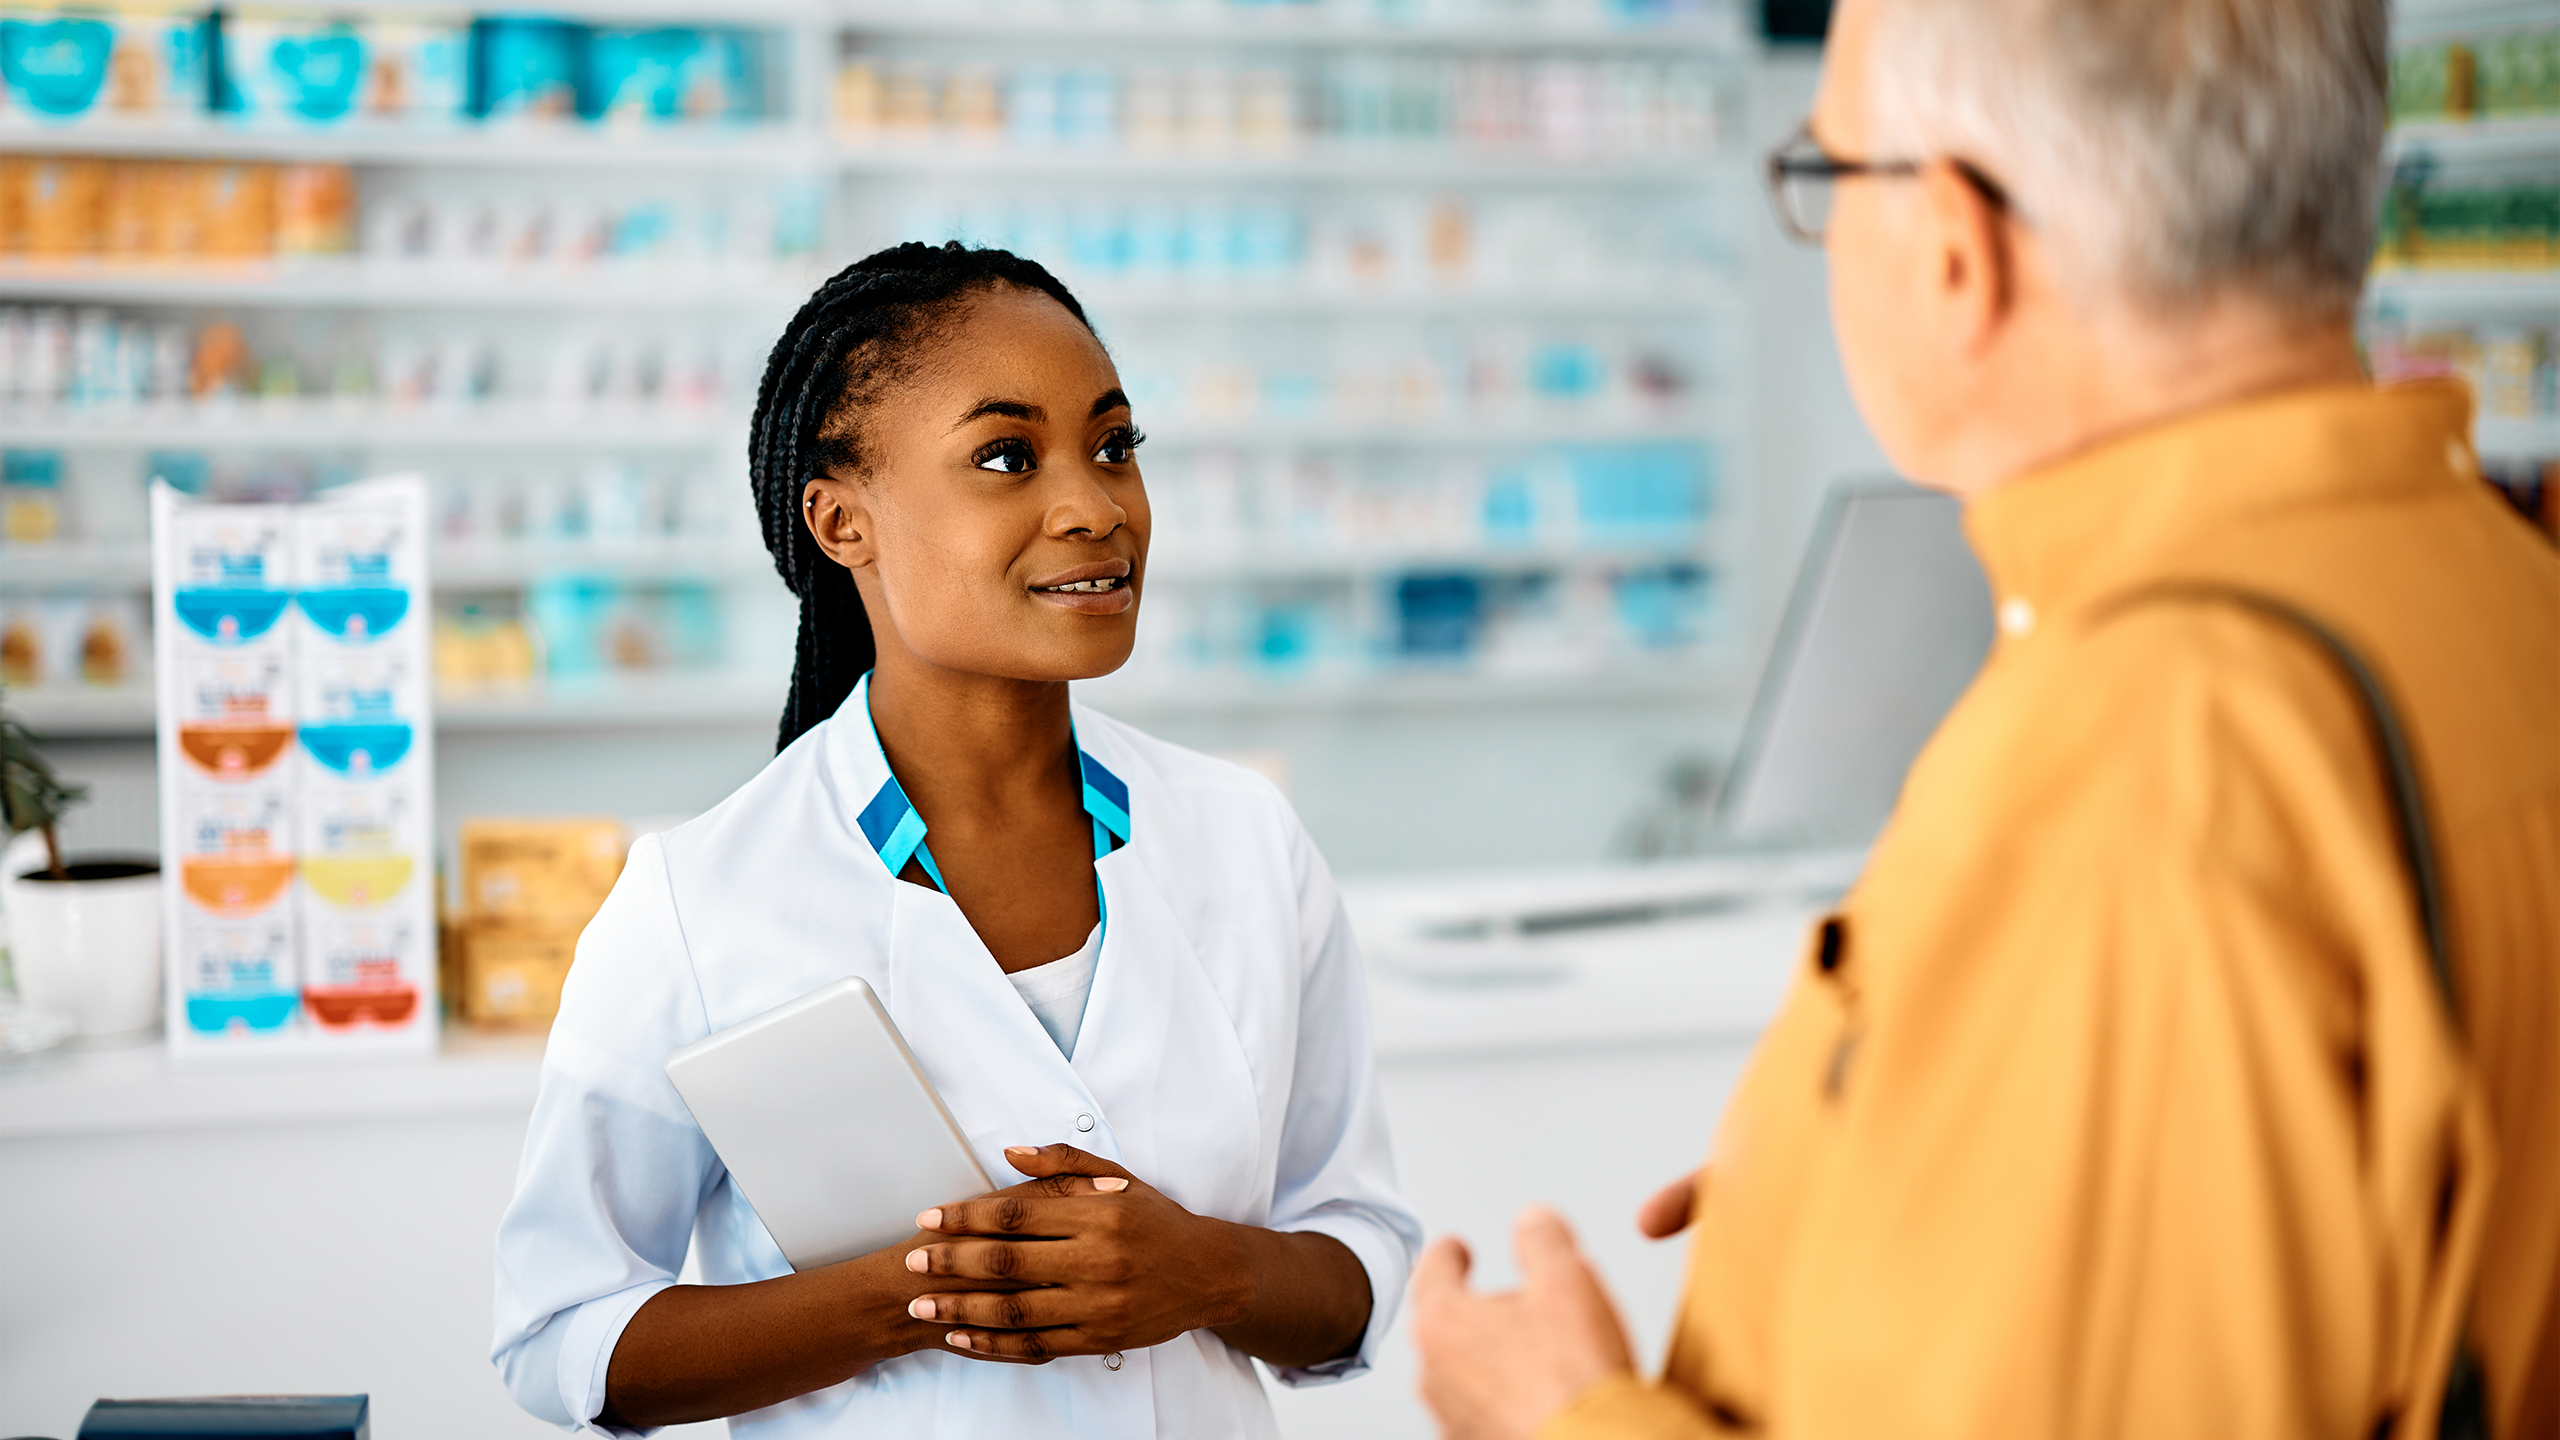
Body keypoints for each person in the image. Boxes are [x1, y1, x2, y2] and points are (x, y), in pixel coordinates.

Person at [1412, 0, 2560, 1436]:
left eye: (1826, 176)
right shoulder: (2501, 591)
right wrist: (1848, 1179)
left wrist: (1561, 1414)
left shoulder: (2138, 767)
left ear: (1956, 247)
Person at [490, 242, 1420, 1436]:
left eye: (1114, 445)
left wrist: (1210, 1272)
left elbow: (1356, 1258)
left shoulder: (1245, 839)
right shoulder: (699, 899)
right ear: (842, 520)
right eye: (1005, 458)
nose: (1094, 507)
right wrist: (910, 1298)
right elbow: (560, 1338)